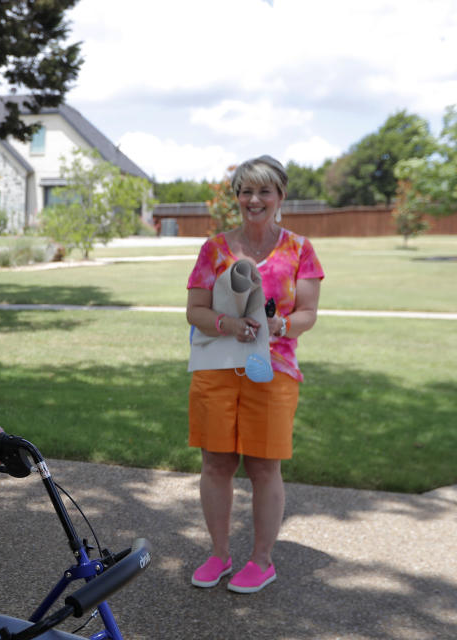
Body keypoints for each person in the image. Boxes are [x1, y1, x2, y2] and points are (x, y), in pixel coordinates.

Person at [184, 155, 324, 594]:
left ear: (280, 196)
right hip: (217, 368)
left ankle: (262, 561)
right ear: (237, 198)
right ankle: (219, 555)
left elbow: (308, 313)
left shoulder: (299, 249)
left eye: (264, 190)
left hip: (272, 368)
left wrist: (279, 325)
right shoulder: (215, 248)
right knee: (216, 463)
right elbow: (195, 310)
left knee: (264, 467)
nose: (254, 199)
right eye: (246, 190)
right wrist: (226, 324)